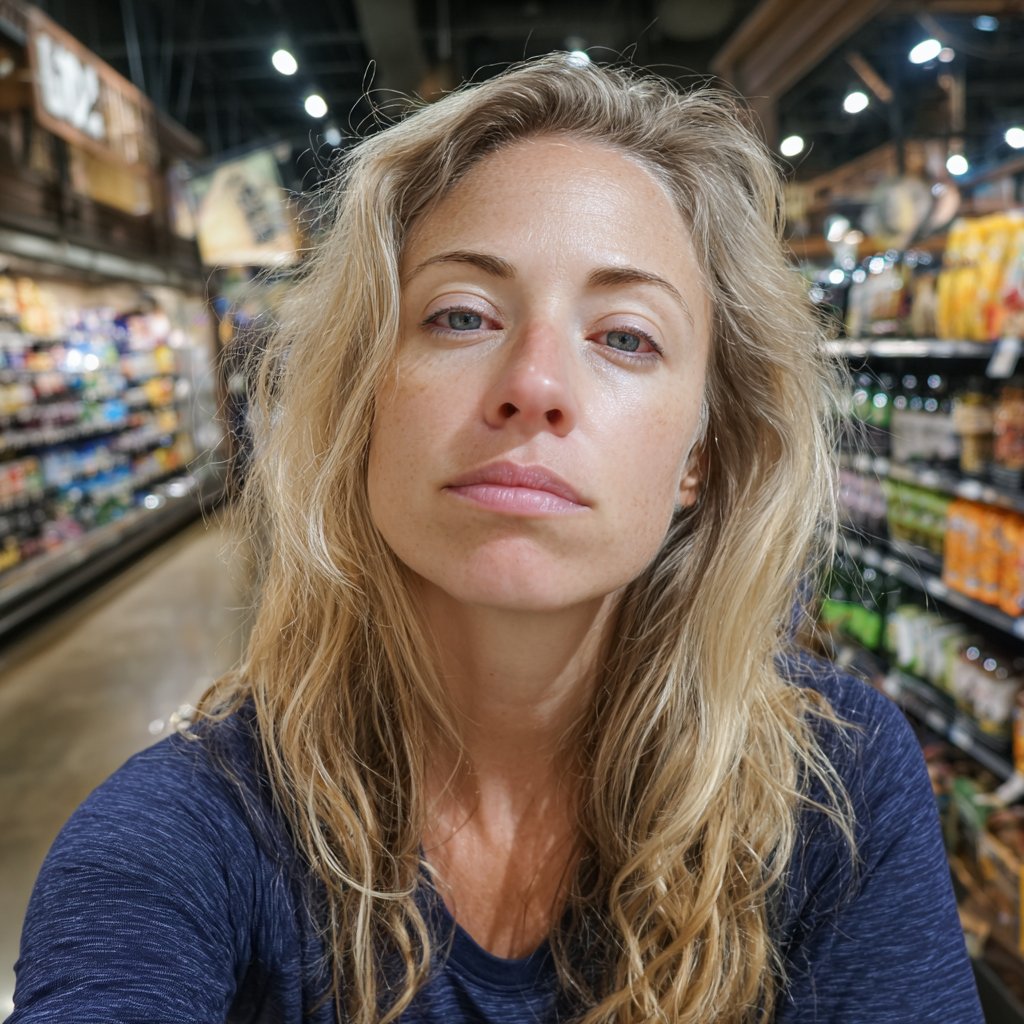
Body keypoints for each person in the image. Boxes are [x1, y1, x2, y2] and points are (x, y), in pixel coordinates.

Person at [8, 56, 983, 1024]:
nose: (535, 381)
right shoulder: (183, 837)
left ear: (702, 451)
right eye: (462, 314)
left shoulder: (836, 788)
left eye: (626, 335)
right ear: (365, 404)